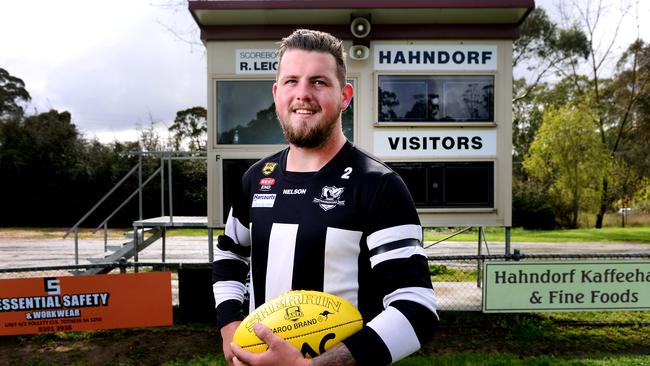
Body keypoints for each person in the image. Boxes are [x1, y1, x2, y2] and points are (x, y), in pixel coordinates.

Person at [212, 29, 438, 366]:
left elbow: (416, 306)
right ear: (276, 93)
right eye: (291, 81)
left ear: (345, 95)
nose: (303, 94)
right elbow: (230, 257)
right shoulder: (257, 179)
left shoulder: (379, 185)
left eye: (319, 82)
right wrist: (231, 329)